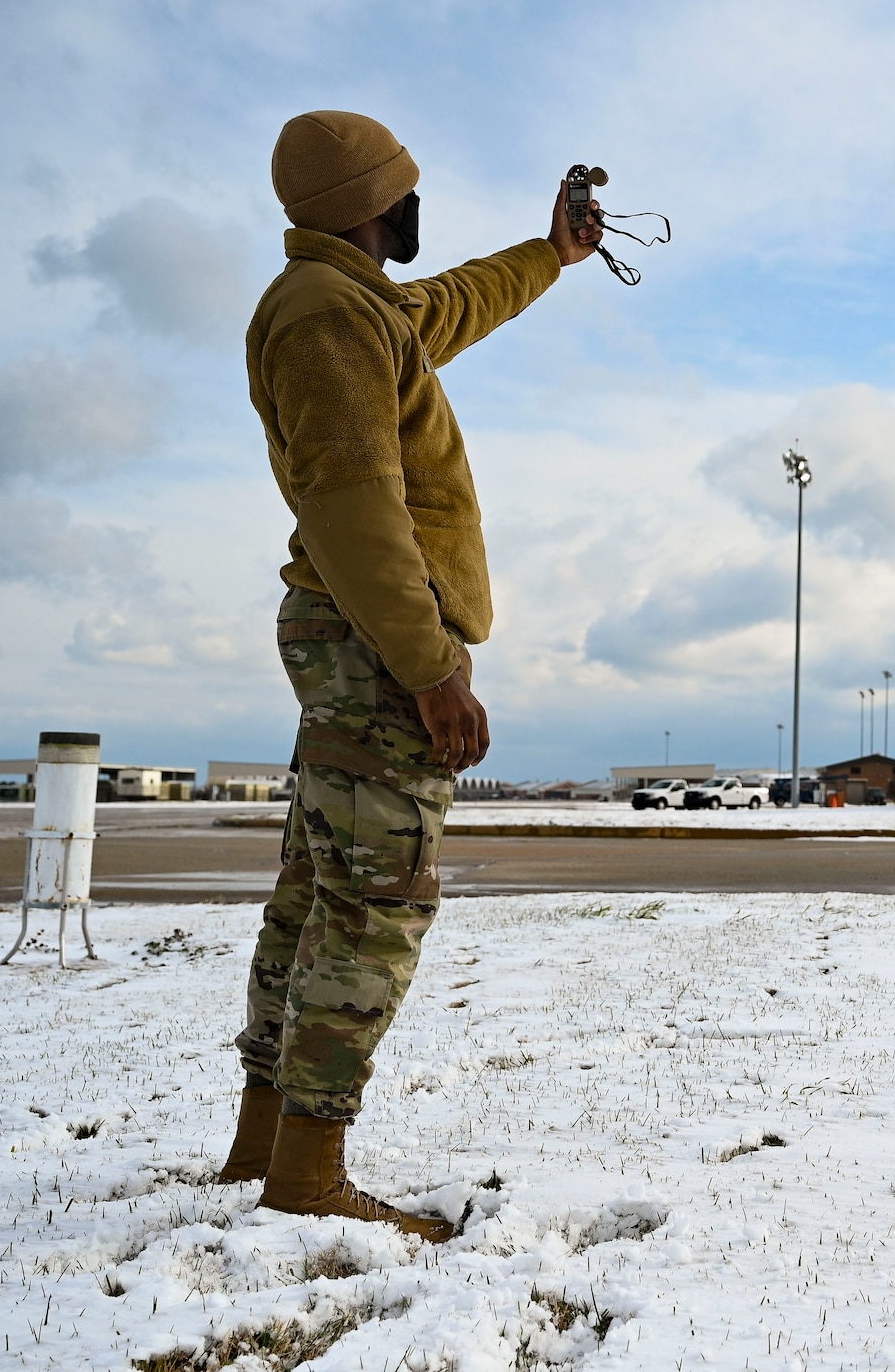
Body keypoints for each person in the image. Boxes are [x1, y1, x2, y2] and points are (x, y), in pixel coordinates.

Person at [214, 111, 603, 1241]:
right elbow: (353, 504)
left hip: (353, 635)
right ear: (371, 202)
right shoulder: (328, 315)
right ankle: (307, 1171)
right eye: (407, 188)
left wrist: (553, 255)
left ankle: (261, 1144)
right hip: (375, 638)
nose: (418, 203)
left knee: (317, 889)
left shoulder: (357, 301)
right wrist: (431, 668)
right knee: (377, 901)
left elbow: (454, 304)